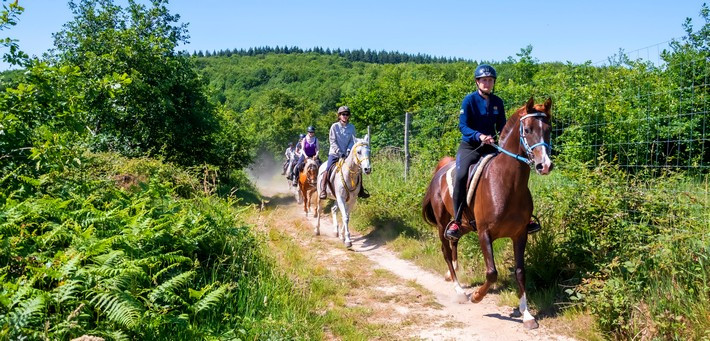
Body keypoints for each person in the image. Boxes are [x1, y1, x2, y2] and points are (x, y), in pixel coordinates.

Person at [444, 64, 540, 241]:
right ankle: (457, 221)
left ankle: (526, 218)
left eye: (490, 80)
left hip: (491, 147)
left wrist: (503, 142)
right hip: (471, 146)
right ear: (477, 82)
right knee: (461, 175)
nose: (487, 83)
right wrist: (479, 136)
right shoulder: (469, 100)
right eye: (484, 80)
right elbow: (463, 126)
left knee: (514, 174)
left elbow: (503, 128)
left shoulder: (498, 102)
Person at [319, 105, 369, 199]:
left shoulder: (352, 127)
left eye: (346, 114)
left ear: (348, 116)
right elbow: (332, 141)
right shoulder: (334, 126)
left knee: (358, 169)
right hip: (334, 153)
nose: (345, 116)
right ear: (339, 116)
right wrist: (338, 151)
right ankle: (322, 189)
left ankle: (361, 190)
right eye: (343, 114)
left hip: (348, 154)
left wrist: (348, 150)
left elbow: (352, 141)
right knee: (328, 168)